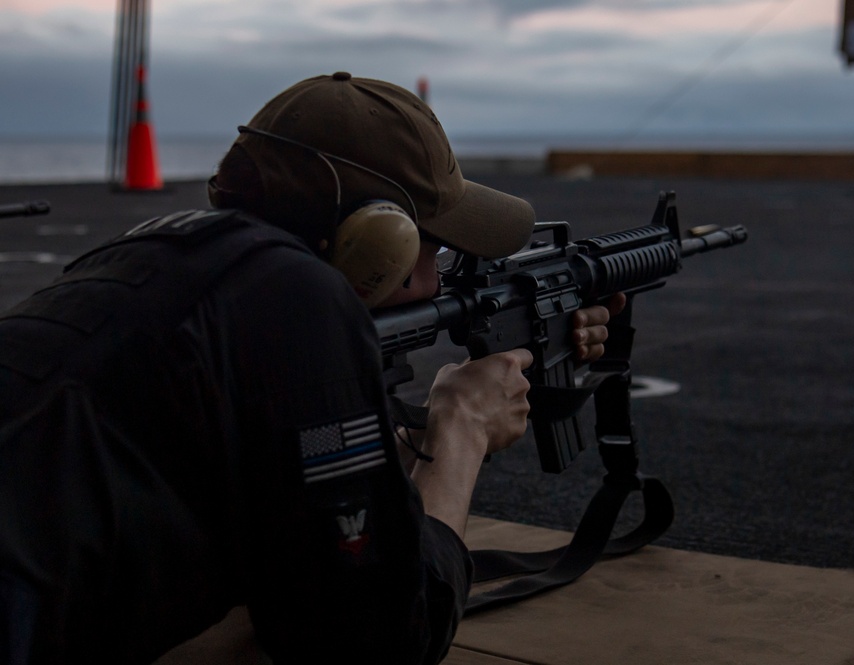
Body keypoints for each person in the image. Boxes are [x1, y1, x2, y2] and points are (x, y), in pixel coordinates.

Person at [0, 72, 624, 664]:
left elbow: (317, 529)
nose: (441, 277)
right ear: (380, 242)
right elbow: (381, 640)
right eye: (434, 247)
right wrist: (461, 428)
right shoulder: (299, 301)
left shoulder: (154, 263)